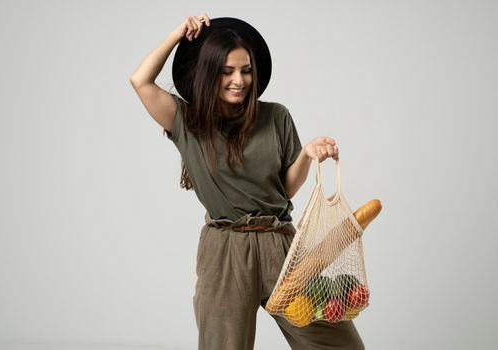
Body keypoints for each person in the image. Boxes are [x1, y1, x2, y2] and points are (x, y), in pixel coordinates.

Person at [129, 13, 364, 350]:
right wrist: (178, 33)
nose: (238, 80)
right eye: (226, 71)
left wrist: (307, 154)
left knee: (339, 344)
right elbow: (140, 80)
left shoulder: (276, 116)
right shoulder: (188, 121)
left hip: (280, 245)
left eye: (245, 70)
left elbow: (284, 191)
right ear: (210, 74)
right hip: (225, 250)